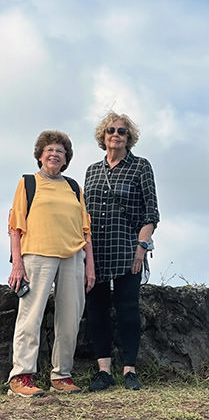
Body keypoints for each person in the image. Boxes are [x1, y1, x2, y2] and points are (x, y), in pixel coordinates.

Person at [7, 130, 95, 398]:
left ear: (66, 158)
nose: (55, 154)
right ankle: (21, 377)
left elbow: (85, 229)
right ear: (40, 155)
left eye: (60, 151)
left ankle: (62, 376)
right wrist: (17, 265)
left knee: (70, 319)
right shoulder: (28, 183)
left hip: (73, 257)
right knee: (30, 317)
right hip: (37, 255)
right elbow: (15, 227)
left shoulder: (73, 187)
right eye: (50, 150)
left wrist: (89, 266)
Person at [85, 112, 159, 391]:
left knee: (128, 310)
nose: (115, 135)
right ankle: (104, 371)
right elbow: (85, 215)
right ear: (103, 137)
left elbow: (151, 212)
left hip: (128, 249)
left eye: (121, 132)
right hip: (96, 252)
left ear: (129, 138)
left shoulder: (140, 167)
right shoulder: (92, 170)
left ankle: (130, 369)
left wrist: (141, 247)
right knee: (97, 311)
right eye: (110, 131)